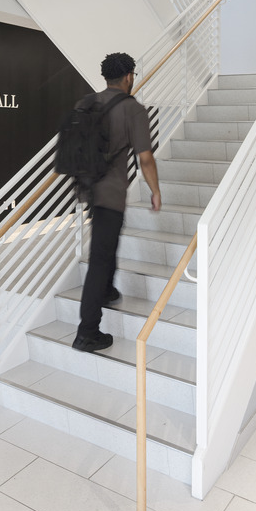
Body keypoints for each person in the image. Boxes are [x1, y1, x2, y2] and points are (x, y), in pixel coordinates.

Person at [72, 51, 161, 352]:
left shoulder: (88, 102)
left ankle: (108, 290)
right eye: (132, 75)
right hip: (111, 194)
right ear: (128, 76)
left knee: (106, 244)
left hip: (89, 189)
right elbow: (145, 157)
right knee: (99, 258)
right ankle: (87, 332)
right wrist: (155, 190)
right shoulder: (132, 109)